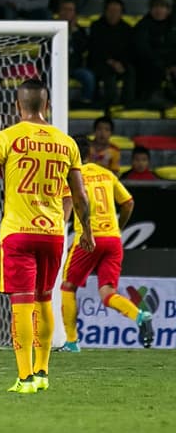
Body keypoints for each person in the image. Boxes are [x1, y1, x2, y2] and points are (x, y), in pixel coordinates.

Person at [0, 80, 93, 394]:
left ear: (16, 105)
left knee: (21, 304)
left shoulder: (6, 137)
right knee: (44, 301)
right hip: (52, 233)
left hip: (18, 233)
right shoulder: (67, 143)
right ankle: (42, 373)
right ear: (47, 105)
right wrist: (87, 231)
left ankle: (24, 378)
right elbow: (79, 195)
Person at [58, 139, 152, 353]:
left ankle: (71, 342)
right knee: (108, 293)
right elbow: (128, 202)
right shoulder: (106, 174)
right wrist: (119, 226)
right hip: (113, 239)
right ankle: (140, 315)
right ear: (89, 153)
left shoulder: (73, 176)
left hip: (88, 238)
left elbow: (71, 204)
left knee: (68, 286)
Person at [88, 0, 133, 108]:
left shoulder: (126, 29)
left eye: (117, 11)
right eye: (111, 11)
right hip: (100, 62)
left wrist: (121, 63)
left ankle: (127, 103)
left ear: (122, 13)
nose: (113, 14)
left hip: (120, 62)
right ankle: (110, 103)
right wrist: (111, 62)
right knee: (108, 73)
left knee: (131, 71)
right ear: (105, 11)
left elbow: (130, 50)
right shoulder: (96, 26)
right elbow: (95, 48)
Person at [131, 0, 174, 106]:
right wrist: (164, 65)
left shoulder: (173, 26)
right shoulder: (142, 26)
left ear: (168, 10)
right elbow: (143, 50)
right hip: (148, 64)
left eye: (162, 7)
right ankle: (152, 96)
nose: (158, 10)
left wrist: (172, 64)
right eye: (155, 6)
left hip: (169, 63)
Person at [58, 0, 95, 107]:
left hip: (75, 67)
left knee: (88, 76)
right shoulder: (51, 29)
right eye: (64, 9)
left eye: (70, 10)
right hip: (55, 67)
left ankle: (85, 102)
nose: (67, 13)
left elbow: (84, 49)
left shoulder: (80, 31)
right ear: (59, 12)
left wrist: (74, 32)